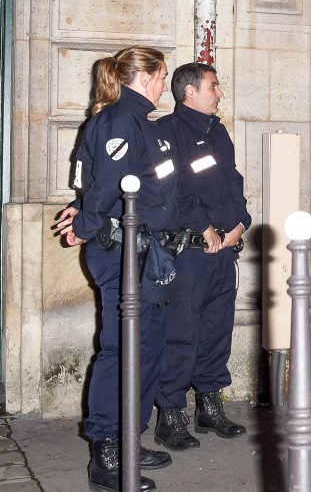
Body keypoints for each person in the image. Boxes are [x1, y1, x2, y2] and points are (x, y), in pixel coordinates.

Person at [55, 46, 178, 492]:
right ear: (144, 76)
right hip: (122, 251)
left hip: (149, 253)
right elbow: (107, 185)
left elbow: (132, 182)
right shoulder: (119, 119)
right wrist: (85, 225)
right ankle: (106, 451)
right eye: (162, 75)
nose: (165, 84)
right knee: (120, 349)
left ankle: (130, 437)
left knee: (146, 348)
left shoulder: (141, 121)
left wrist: (81, 209)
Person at [152, 62, 250, 451]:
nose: (220, 93)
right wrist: (201, 224)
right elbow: (168, 187)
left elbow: (234, 183)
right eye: (214, 86)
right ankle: (170, 414)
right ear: (189, 92)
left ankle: (210, 407)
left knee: (216, 331)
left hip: (224, 252)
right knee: (181, 334)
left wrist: (241, 222)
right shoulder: (165, 133)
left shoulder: (218, 132)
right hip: (188, 253)